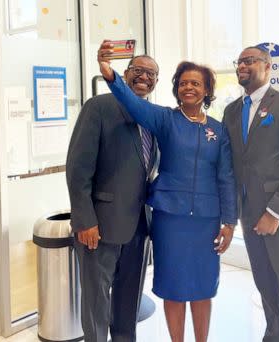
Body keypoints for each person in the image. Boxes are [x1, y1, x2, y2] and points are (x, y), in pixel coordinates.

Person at [97, 40, 237, 342]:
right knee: (174, 287)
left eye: (196, 83)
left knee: (202, 288)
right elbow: (133, 103)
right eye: (184, 82)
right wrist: (110, 75)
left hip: (205, 222)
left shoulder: (218, 129)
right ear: (176, 88)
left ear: (206, 90)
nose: (189, 87)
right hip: (170, 219)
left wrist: (230, 221)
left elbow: (226, 176)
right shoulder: (164, 119)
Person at [223, 46, 279, 342]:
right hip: (248, 210)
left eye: (250, 61)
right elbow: (233, 162)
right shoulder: (232, 111)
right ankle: (275, 334)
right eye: (240, 62)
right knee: (264, 280)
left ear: (268, 68)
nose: (243, 66)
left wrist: (274, 213)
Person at [66, 54, 159, 342]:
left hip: (139, 228)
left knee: (128, 299)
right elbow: (78, 169)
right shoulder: (99, 107)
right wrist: (84, 220)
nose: (144, 77)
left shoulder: (153, 116)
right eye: (138, 70)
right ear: (125, 73)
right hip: (99, 227)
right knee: (96, 302)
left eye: (151, 73)